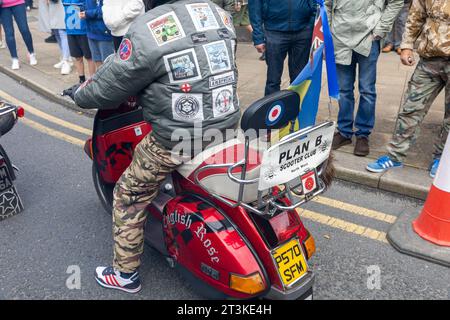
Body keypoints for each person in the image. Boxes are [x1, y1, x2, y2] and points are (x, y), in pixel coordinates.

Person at [73, 0, 240, 293]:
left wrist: (79, 94)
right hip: (226, 126)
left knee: (128, 194)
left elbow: (109, 85)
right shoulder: (219, 15)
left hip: (176, 138)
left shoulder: (149, 28)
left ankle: (125, 275)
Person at [367, 0, 450, 178]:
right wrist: (406, 46)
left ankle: (442, 160)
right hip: (430, 59)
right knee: (410, 109)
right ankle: (395, 156)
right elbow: (416, 15)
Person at [326, 0, 403, 157]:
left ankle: (363, 134)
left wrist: (381, 29)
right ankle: (344, 132)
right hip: (340, 37)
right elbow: (326, 4)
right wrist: (327, 33)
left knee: (367, 90)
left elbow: (396, 2)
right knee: (343, 89)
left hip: (369, 37)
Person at [248, 0, 316, 96]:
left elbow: (316, 3)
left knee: (299, 78)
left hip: (302, 32)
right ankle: (271, 108)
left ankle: (297, 108)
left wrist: (311, 23)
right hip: (274, 32)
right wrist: (258, 37)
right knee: (273, 80)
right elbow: (254, 7)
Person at [63, 0, 96, 83]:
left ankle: (92, 81)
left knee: (89, 57)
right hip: (70, 30)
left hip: (83, 30)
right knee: (77, 57)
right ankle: (81, 79)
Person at [0, 0, 37, 70]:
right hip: (3, 6)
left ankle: (31, 53)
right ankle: (14, 58)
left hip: (18, 3)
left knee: (24, 29)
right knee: (9, 33)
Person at [81, 0, 114, 68]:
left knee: (107, 63)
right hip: (91, 32)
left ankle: (106, 79)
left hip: (104, 34)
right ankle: (100, 78)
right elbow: (83, 7)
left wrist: (87, 14)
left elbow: (105, 11)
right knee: (97, 60)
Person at [48, 0, 72, 75]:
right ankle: (65, 57)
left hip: (64, 4)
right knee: (56, 31)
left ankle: (66, 61)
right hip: (53, 5)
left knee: (62, 30)